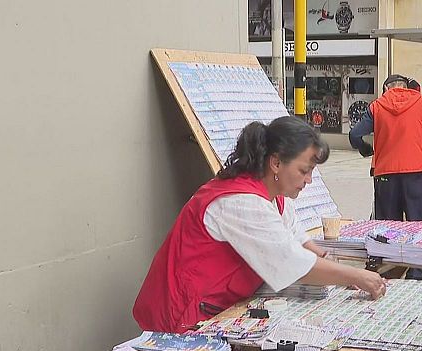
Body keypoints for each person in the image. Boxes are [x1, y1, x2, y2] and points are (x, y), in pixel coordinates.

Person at [133, 116, 386, 333]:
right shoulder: (240, 202)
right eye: (304, 171)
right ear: (276, 163)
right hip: (182, 315)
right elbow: (291, 262)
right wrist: (356, 276)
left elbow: (298, 241)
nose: (309, 180)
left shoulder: (274, 196)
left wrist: (333, 266)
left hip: (216, 307)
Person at [349, 74, 422, 280]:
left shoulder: (377, 106)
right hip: (415, 171)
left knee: (388, 224)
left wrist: (366, 149)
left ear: (385, 89)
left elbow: (355, 134)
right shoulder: (419, 101)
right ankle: (417, 270)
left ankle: (390, 269)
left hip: (386, 173)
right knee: (416, 223)